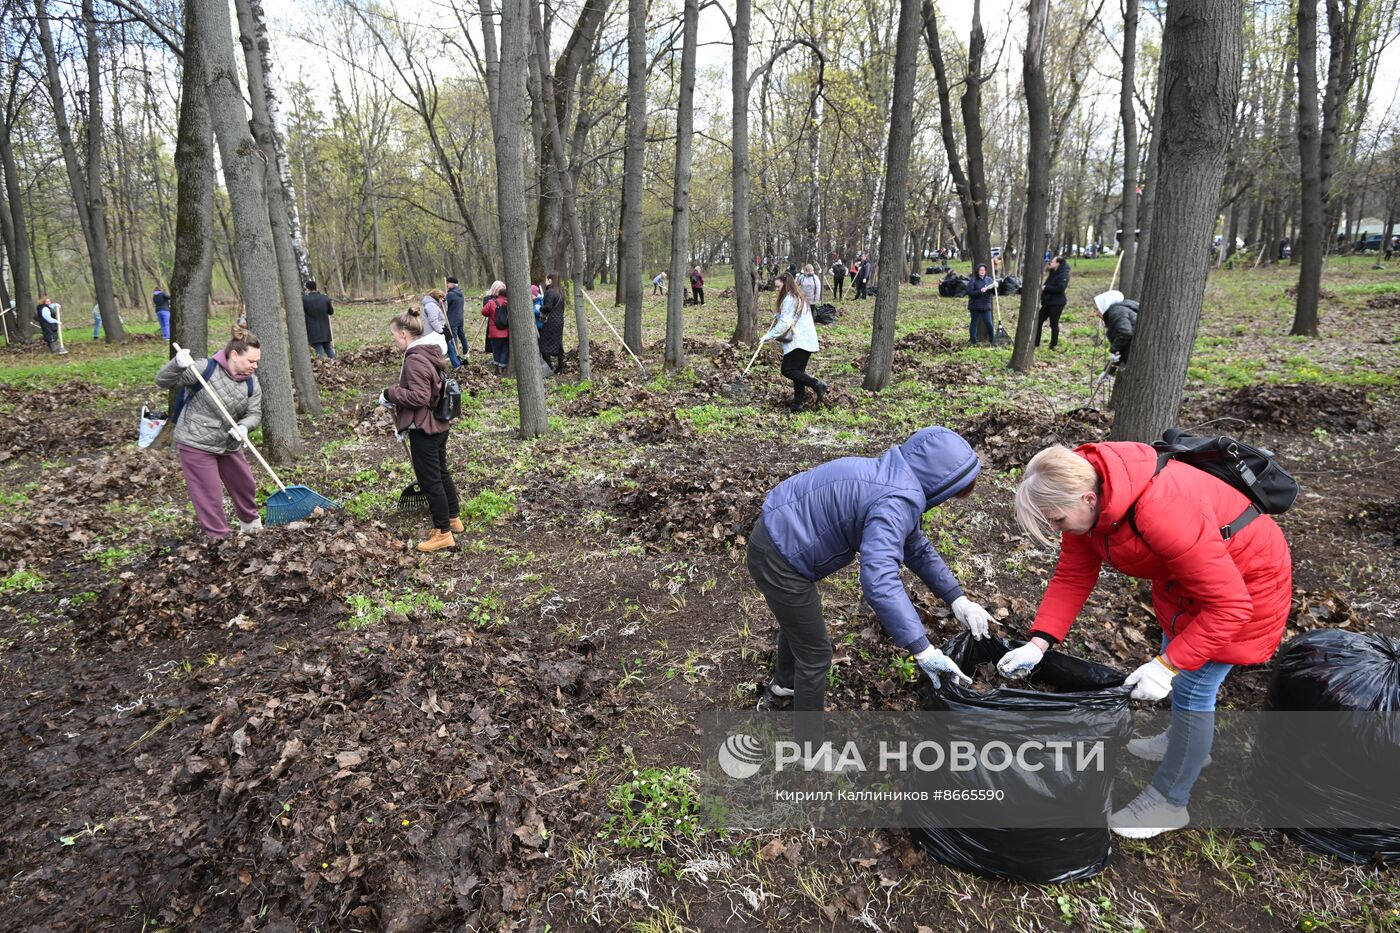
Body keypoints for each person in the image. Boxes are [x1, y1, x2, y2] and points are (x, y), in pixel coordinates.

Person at [1003, 443, 1293, 839]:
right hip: (1188, 588)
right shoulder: (1088, 506)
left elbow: (1229, 606)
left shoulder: (1163, 511)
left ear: (1089, 498)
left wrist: (1168, 666)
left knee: (1192, 690)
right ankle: (1180, 739)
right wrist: (1039, 643)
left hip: (1245, 590)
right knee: (1176, 667)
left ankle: (1170, 800)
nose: (1055, 530)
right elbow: (1072, 577)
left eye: (1056, 520)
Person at [748, 427, 992, 759]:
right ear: (939, 485)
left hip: (778, 535)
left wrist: (956, 598)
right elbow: (879, 580)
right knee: (817, 652)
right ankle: (808, 750)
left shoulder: (894, 477)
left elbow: (915, 547)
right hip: (782, 557)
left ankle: (785, 685)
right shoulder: (896, 501)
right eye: (950, 495)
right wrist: (922, 649)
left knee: (801, 626)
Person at [155, 331, 264, 539]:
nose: (255, 366)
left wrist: (244, 427)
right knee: (209, 494)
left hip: (228, 442)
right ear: (234, 355)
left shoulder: (252, 382)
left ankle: (251, 527)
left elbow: (254, 413)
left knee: (245, 484)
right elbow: (162, 381)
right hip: (196, 442)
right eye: (251, 360)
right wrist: (177, 364)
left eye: (257, 361)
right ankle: (219, 538)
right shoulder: (204, 368)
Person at [378, 307, 460, 553]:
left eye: (393, 334)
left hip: (424, 427)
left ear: (404, 334)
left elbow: (419, 396)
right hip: (438, 424)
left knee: (430, 480)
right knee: (441, 473)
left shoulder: (414, 359)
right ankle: (454, 518)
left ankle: (443, 532)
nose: (393, 340)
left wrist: (389, 393)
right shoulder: (429, 352)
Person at [760, 271, 827, 413]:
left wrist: (768, 336)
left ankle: (817, 385)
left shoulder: (790, 299)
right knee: (798, 374)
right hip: (806, 341)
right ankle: (798, 405)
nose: (777, 290)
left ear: (785, 285)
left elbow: (785, 323)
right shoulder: (797, 297)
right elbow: (787, 316)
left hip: (800, 341)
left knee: (788, 370)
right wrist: (778, 315)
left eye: (778, 287)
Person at [1093, 291, 1138, 365]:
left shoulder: (1116, 311)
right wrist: (1108, 372)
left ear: (1104, 305)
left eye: (1098, 309)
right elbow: (1121, 346)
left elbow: (1125, 332)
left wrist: (1114, 350)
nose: (1096, 313)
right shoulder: (1118, 311)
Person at [1035, 256, 1071, 351]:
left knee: (1053, 324)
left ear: (1058, 263)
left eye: (1052, 262)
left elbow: (1060, 288)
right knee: (1038, 321)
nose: (1050, 263)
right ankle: (1035, 343)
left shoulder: (1063, 274)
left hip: (1057, 303)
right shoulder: (1053, 272)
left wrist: (1045, 288)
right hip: (1047, 302)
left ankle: (1053, 344)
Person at [422, 288, 459, 369]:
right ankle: (455, 365)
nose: (442, 299)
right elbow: (433, 321)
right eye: (441, 298)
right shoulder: (431, 306)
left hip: (440, 328)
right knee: (447, 348)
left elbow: (444, 311)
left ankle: (456, 364)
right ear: (437, 297)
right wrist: (441, 331)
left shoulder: (435, 304)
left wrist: (444, 302)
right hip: (434, 332)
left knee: (449, 347)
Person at [538, 273, 566, 374]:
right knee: (558, 344)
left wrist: (540, 308)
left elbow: (548, 307)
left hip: (550, 322)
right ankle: (561, 367)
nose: (545, 282)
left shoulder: (550, 292)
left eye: (546, 279)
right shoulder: (560, 292)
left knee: (543, 345)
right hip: (560, 321)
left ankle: (549, 368)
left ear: (550, 280)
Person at [302, 280, 335, 359]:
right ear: (315, 287)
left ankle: (322, 367)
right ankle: (336, 363)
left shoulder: (304, 300)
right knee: (328, 348)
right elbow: (331, 312)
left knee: (319, 350)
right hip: (325, 329)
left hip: (312, 329)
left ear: (307, 289)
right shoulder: (324, 298)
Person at [482, 284, 510, 374]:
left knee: (496, 350)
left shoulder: (491, 302)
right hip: (506, 332)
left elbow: (484, 312)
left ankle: (497, 367)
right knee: (505, 350)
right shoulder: (510, 303)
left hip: (494, 333)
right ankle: (502, 367)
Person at [967, 262, 996, 345]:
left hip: (986, 306)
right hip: (975, 306)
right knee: (974, 323)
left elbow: (993, 292)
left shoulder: (989, 279)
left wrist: (995, 287)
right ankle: (973, 341)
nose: (982, 271)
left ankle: (992, 340)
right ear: (977, 271)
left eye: (984, 270)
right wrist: (980, 291)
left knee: (989, 323)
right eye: (980, 270)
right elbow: (969, 292)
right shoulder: (973, 280)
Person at [445, 276, 468, 363]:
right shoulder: (460, 293)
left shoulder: (450, 295)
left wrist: (443, 300)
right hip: (460, 318)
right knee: (462, 335)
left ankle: (454, 354)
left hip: (452, 319)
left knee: (453, 337)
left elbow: (445, 305)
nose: (447, 285)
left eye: (448, 283)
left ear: (451, 284)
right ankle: (466, 351)